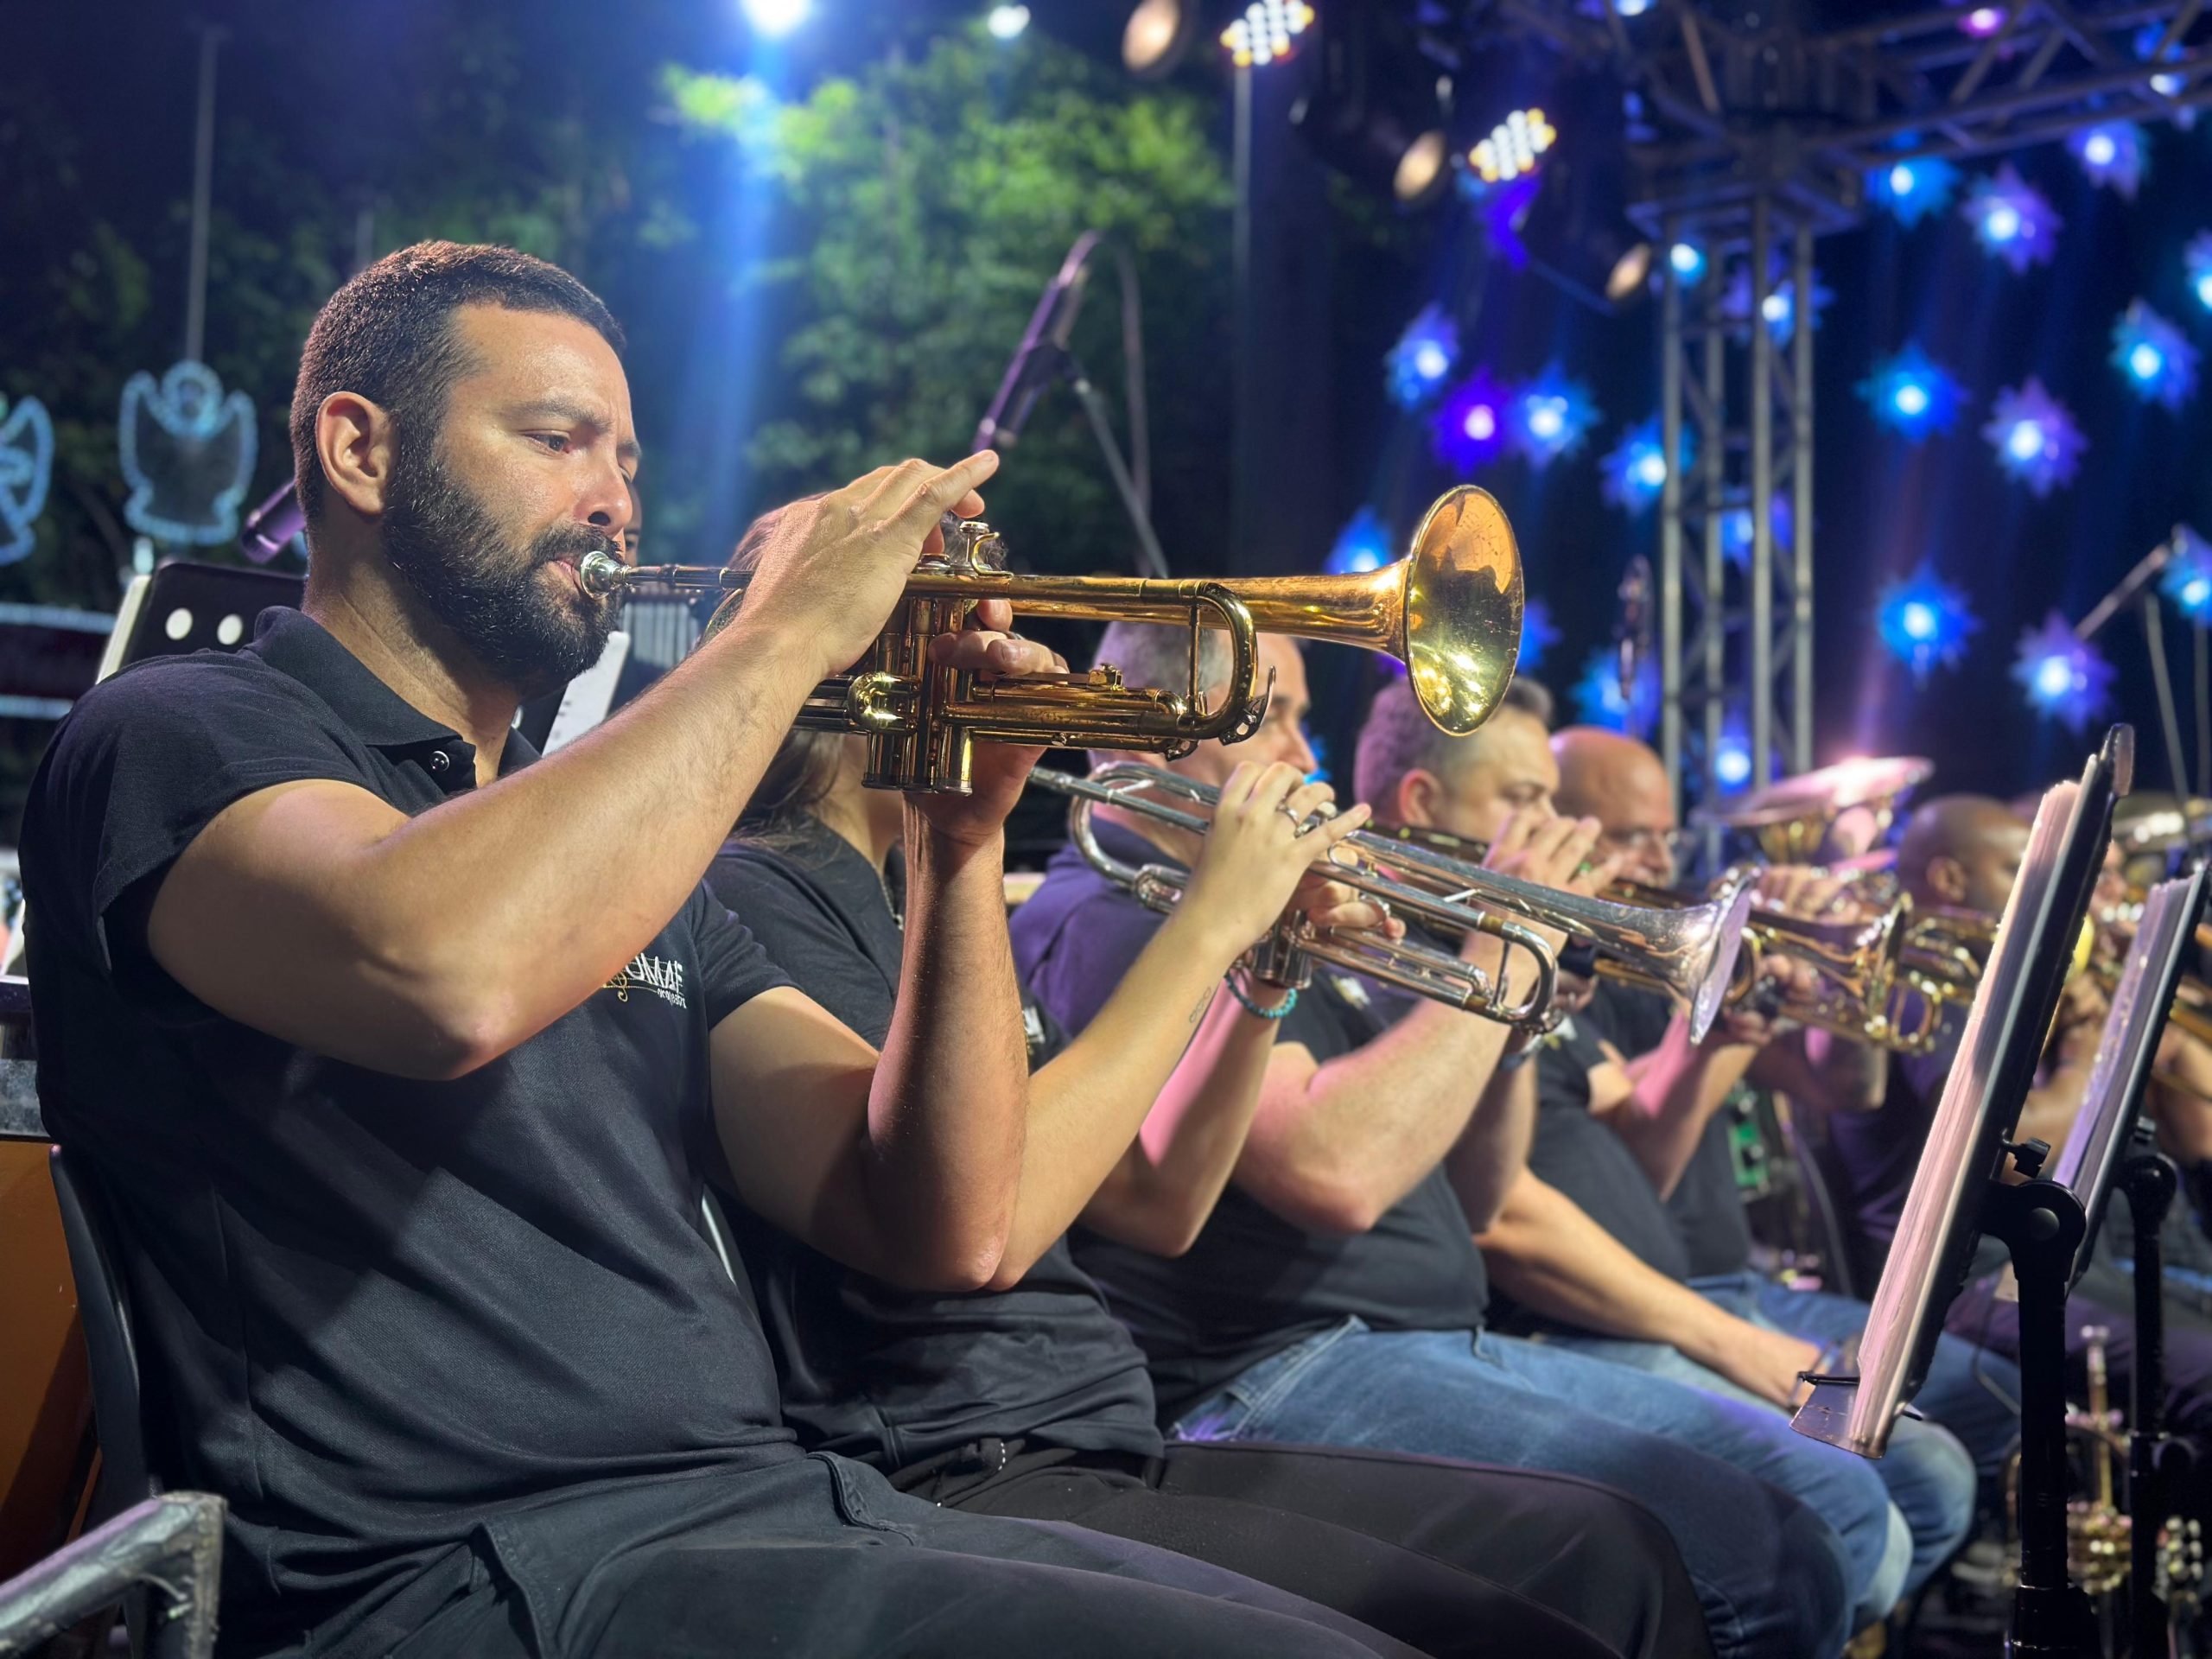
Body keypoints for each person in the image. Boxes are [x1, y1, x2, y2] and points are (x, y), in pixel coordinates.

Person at [18, 241, 1446, 1659]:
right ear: (359, 449)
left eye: (630, 462)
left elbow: (940, 1223)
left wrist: (957, 845)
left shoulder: (650, 884)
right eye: (558, 439)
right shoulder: (184, 732)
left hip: (763, 1510)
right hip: (458, 1578)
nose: (615, 501)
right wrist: (789, 631)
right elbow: (436, 971)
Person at [703, 684, 1713, 1657]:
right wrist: (1212, 918)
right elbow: (976, 1229)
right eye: (972, 650)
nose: (1015, 675)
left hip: (1097, 1418)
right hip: (962, 1447)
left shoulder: (903, 898)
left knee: (1616, 1555)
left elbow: (1160, 1200)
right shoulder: (767, 889)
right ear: (864, 678)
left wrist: (1266, 969)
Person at [1013, 639, 1903, 1659]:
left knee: (1827, 1522)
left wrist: (1510, 1001)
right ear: (1151, 728)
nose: (1309, 759)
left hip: (1421, 1336)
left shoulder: (1277, 917)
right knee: (1773, 1550)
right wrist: (1501, 941)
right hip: (1277, 1369)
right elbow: (1332, 1172)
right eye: (1272, 717)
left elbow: (1478, 1196)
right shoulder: (1113, 916)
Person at [1458, 726, 2015, 1593]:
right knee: (1910, 1478)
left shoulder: (1607, 976)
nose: (1655, 855)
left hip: (1719, 1286)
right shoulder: (1585, 977)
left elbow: (1848, 1085)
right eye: (1630, 832)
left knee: (1985, 1412)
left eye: (1664, 835)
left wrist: (1825, 968)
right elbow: (1630, 1162)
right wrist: (1718, 1015)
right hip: (1640, 1308)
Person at [1826, 793, 2212, 1504]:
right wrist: (2095, 1046)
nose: (2051, 896)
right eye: (2022, 875)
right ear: (1948, 881)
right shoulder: (1920, 979)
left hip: (2060, 1259)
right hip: (1969, 1280)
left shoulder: (2015, 980)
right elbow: (2013, 1155)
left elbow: (2200, 1139)